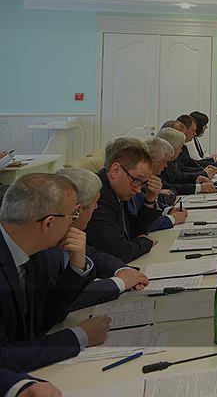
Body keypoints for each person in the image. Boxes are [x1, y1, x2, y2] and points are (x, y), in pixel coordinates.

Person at [0, 174, 110, 371]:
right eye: (72, 215)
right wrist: (79, 337)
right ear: (48, 223)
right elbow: (4, 357)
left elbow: (48, 316)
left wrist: (76, 265)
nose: (74, 222)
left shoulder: (33, 249)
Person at [54, 168, 150, 310]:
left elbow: (92, 254)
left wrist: (122, 270)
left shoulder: (67, 232)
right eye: (95, 202)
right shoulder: (45, 243)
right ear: (78, 210)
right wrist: (119, 282)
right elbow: (61, 298)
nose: (96, 207)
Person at [86, 140, 160, 263]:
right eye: (136, 181)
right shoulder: (98, 196)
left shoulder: (116, 190)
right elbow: (120, 252)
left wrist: (150, 199)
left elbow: (133, 232)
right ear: (115, 170)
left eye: (142, 184)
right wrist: (145, 243)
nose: (138, 190)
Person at [140, 137, 189, 232]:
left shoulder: (150, 178)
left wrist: (169, 210)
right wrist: (172, 219)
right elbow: (137, 223)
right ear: (151, 160)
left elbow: (169, 191)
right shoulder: (136, 182)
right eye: (164, 161)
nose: (166, 166)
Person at [158, 128, 216, 195]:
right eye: (180, 148)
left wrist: (196, 178)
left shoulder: (168, 161)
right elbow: (169, 187)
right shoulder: (159, 163)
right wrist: (199, 188)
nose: (181, 151)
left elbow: (178, 177)